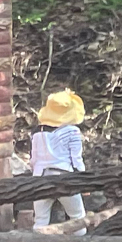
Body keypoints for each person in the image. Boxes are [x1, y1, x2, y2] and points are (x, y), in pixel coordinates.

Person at [29, 90, 87, 230]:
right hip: (65, 178)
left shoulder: (38, 132)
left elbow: (33, 160)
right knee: (78, 217)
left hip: (41, 178)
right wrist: (84, 180)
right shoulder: (72, 131)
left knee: (40, 219)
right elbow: (76, 159)